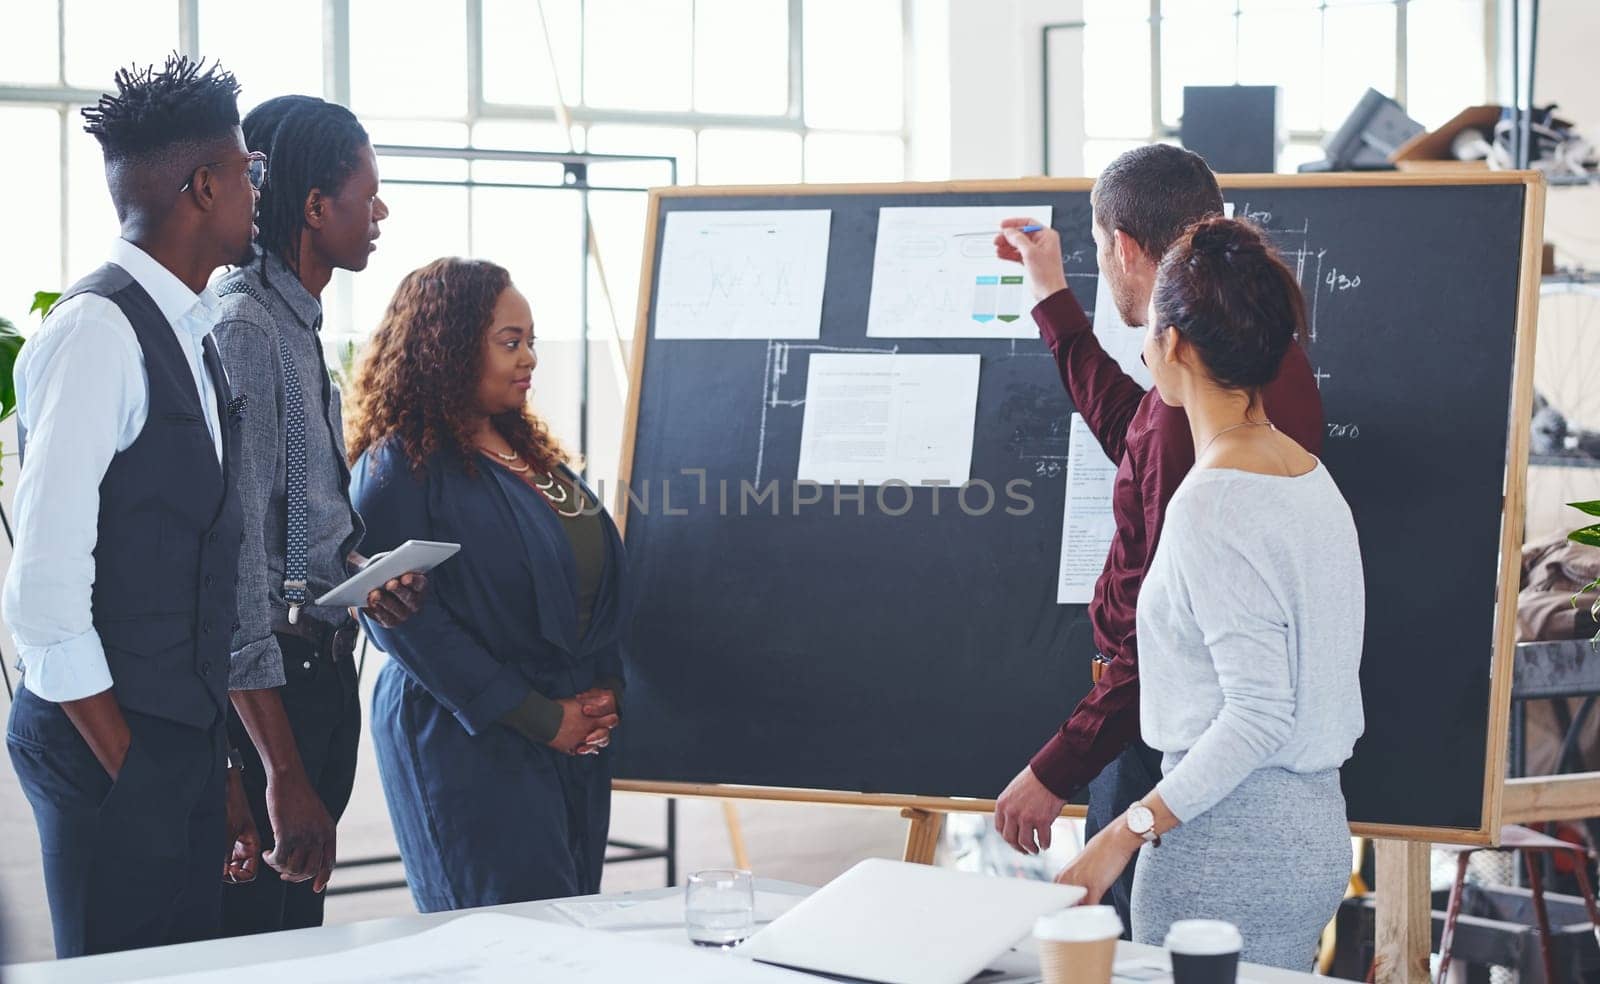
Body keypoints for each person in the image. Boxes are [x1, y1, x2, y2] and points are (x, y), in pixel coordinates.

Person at [990, 144, 1325, 933]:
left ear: (1125, 249)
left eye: (1103, 249)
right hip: (1250, 762)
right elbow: (1135, 432)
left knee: (1142, 950)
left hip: (1167, 744)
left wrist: (1054, 770)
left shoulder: (1196, 432)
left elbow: (1157, 634)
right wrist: (1055, 302)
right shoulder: (1259, 365)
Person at [1052, 217, 1365, 969]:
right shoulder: (1308, 475)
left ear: (1180, 346)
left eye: (1153, 330)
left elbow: (1257, 715)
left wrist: (1117, 836)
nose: (1144, 346)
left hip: (1226, 848)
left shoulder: (1211, 503)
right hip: (1313, 833)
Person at [2, 55, 262, 956]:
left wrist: (210, 768)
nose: (254, 191)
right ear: (202, 187)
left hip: (168, 742)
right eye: (246, 173)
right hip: (104, 746)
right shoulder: (95, 335)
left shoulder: (191, 329)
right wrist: (138, 774)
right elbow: (42, 600)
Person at [345, 258, 628, 911]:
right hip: (468, 739)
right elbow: (404, 623)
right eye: (510, 342)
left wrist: (602, 699)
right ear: (446, 347)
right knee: (508, 941)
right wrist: (539, 716)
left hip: (568, 731)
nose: (530, 356)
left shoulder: (532, 454)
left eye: (531, 340)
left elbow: (592, 584)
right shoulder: (400, 465)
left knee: (565, 930)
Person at [213, 94, 426, 936]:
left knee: (294, 928)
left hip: (321, 672)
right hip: (276, 697)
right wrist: (278, 768)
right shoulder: (245, 331)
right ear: (312, 207)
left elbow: (288, 529)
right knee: (259, 938)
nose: (379, 212)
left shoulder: (299, 330)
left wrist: (360, 582)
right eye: (367, 195)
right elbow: (234, 562)